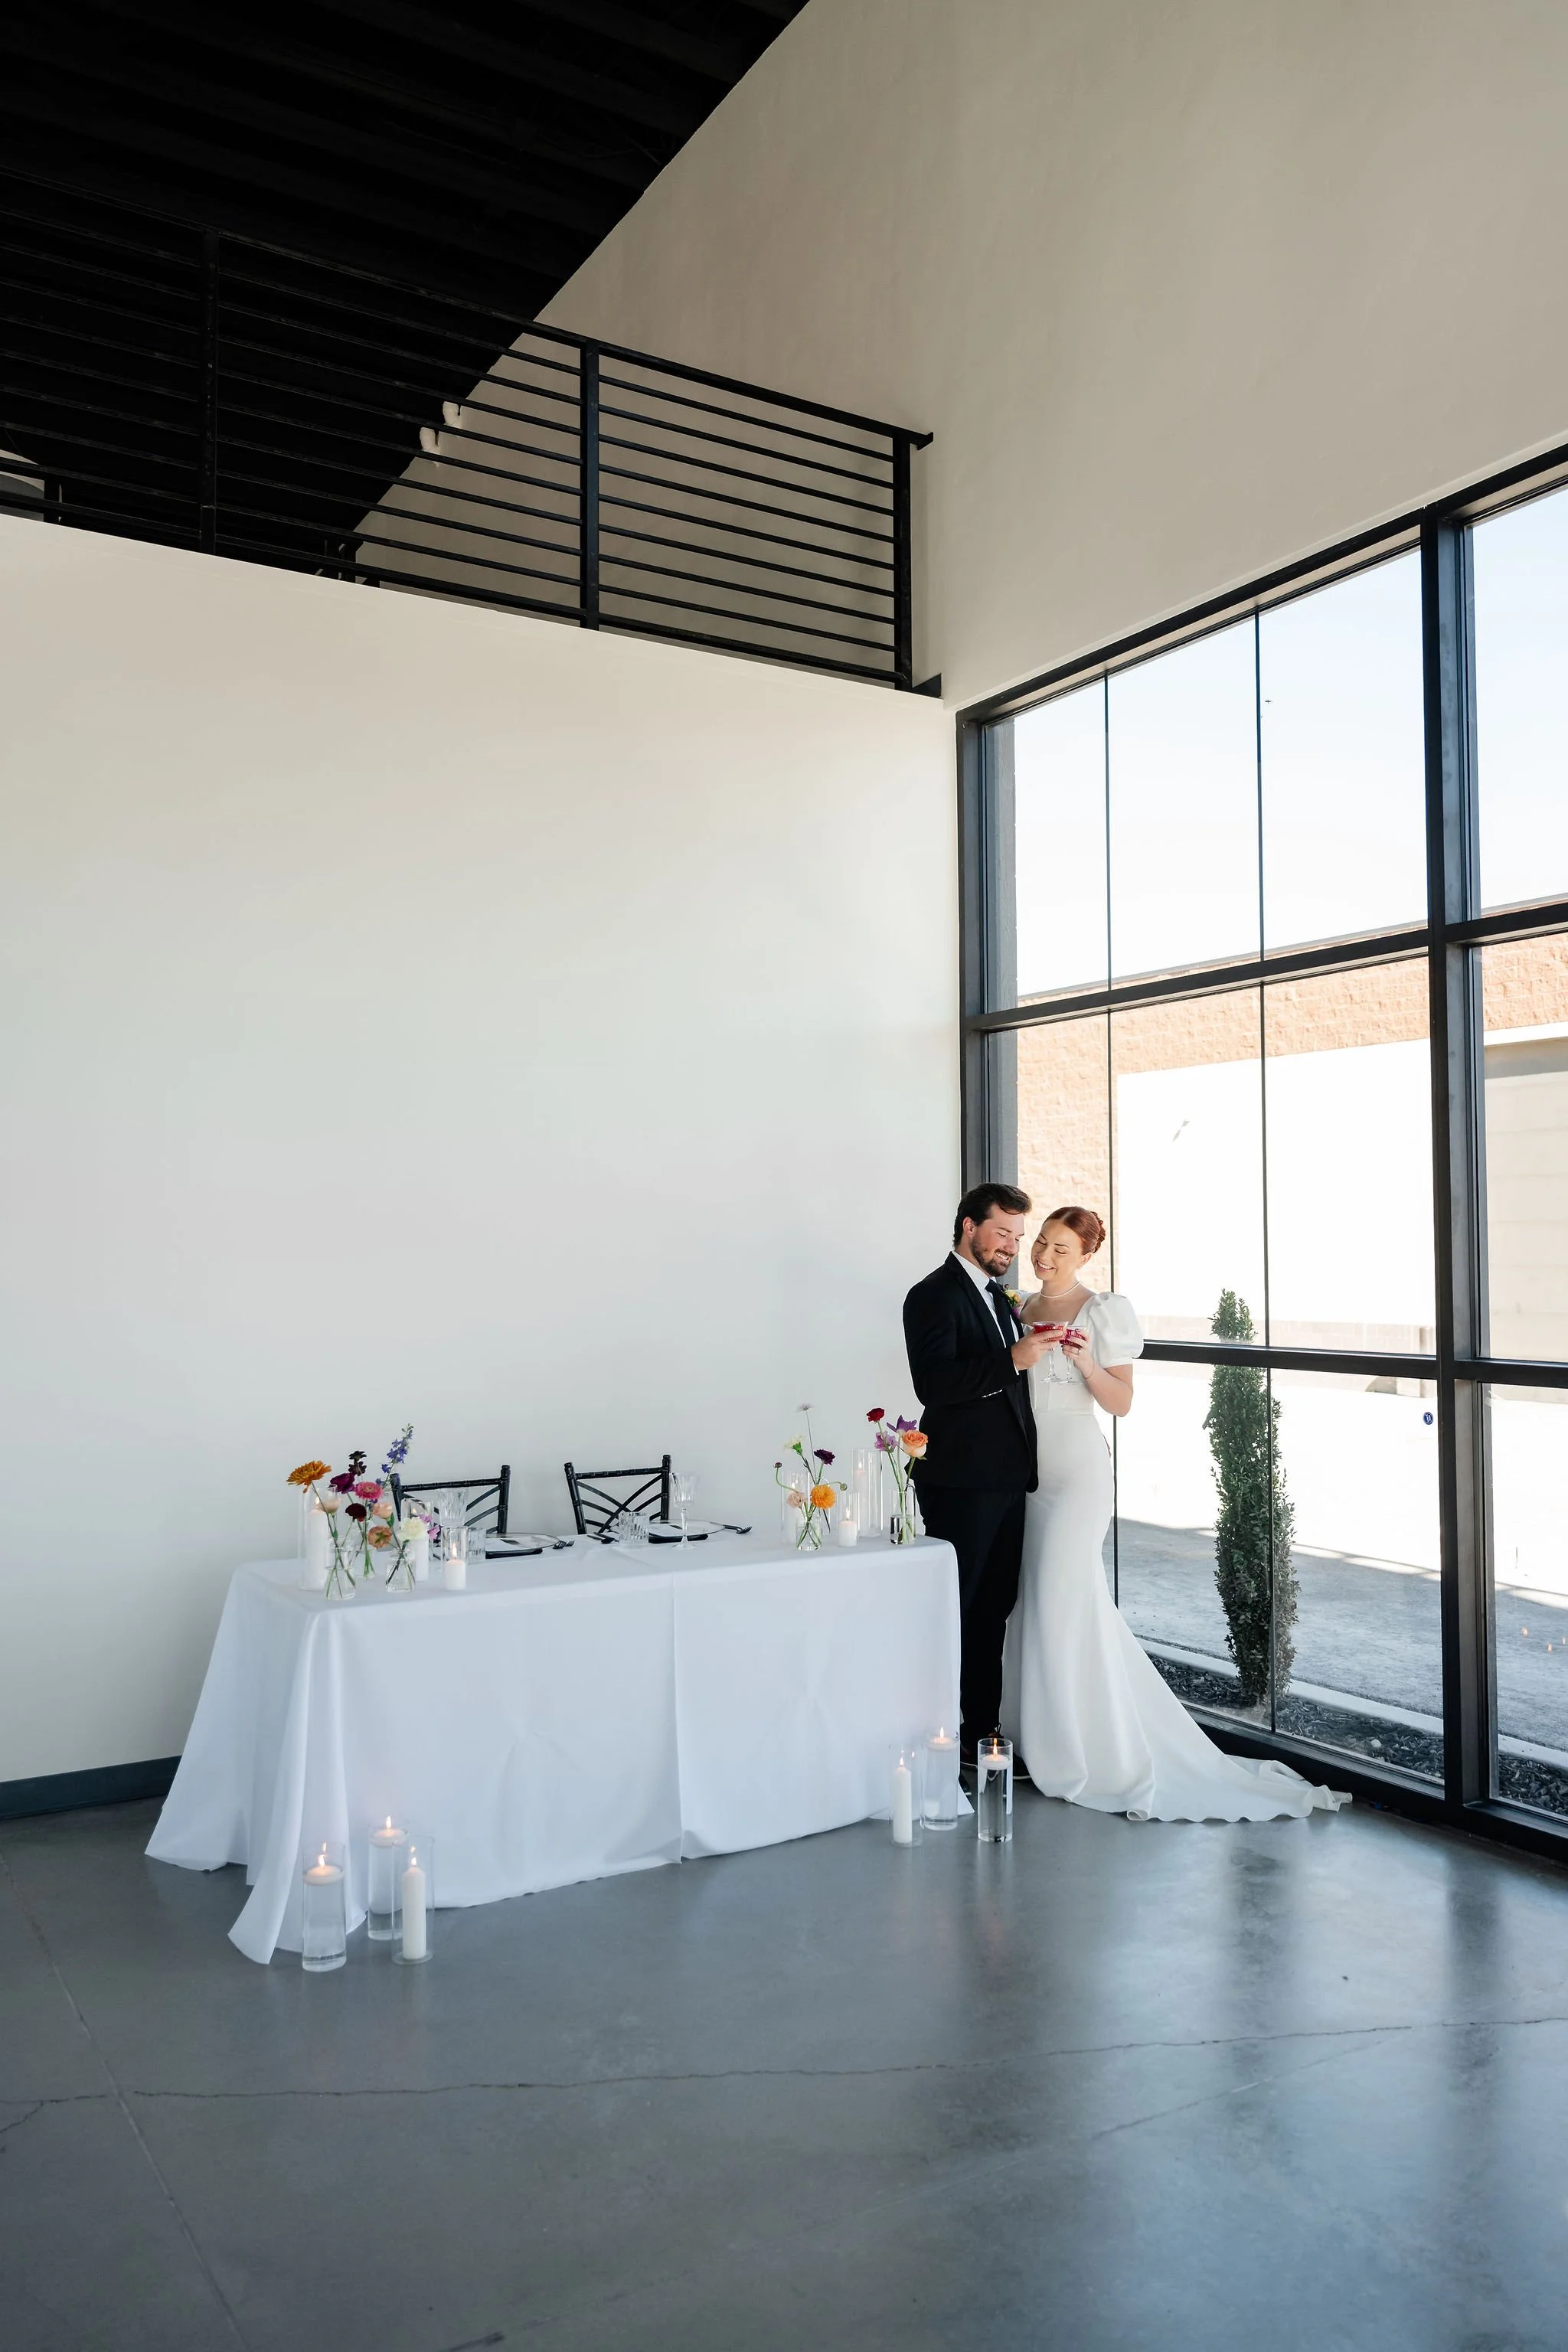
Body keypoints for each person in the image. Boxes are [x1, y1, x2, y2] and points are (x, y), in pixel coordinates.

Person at [1001, 1204, 1348, 1822]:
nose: (1045, 1257)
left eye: (1060, 1249)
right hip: (1024, 1473)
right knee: (1034, 1600)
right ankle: (1038, 1735)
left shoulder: (1103, 1310)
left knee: (1063, 1592)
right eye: (1042, 1245)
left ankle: (1087, 1749)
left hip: (1077, 1474)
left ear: (1085, 1257)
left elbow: (1123, 1403)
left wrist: (1083, 1363)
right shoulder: (1019, 1307)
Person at [903, 1183, 1057, 1760]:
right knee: (956, 1612)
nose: (1012, 1247)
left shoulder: (1001, 1299)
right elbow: (935, 1385)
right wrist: (1012, 1360)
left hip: (1008, 1481)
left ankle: (981, 1737)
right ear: (969, 1226)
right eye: (1002, 1233)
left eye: (1018, 1237)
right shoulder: (931, 1296)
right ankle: (939, 1734)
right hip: (960, 1482)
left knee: (994, 1610)